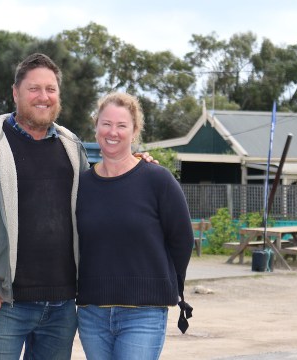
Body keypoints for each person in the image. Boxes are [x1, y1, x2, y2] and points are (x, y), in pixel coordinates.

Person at [0, 53, 153, 359]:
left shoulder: (72, 147)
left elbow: (102, 192)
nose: (44, 97)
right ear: (15, 93)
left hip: (62, 306)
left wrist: (138, 167)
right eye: (34, 89)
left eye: (51, 89)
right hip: (5, 304)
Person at [75, 92, 194, 360]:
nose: (112, 132)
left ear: (135, 131)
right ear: (96, 127)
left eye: (121, 125)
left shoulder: (157, 180)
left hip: (144, 313)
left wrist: (163, 285)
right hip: (92, 312)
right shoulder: (81, 185)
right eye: (106, 124)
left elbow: (182, 240)